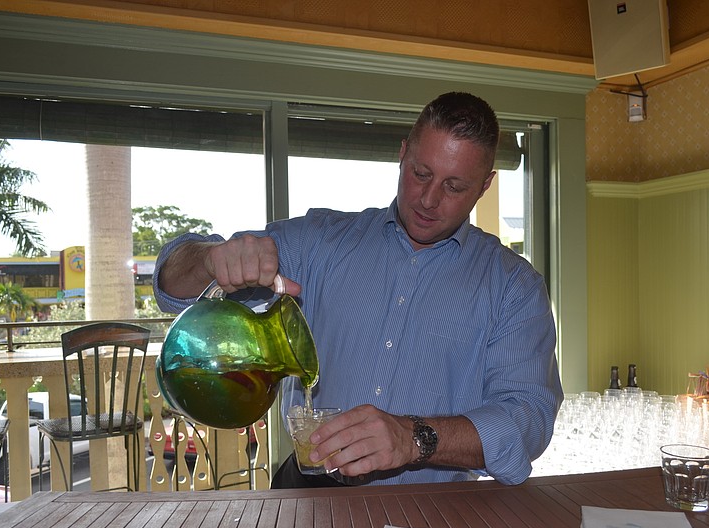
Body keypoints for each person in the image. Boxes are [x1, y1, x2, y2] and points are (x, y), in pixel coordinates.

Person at [153, 91, 563, 487]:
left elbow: (529, 417)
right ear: (402, 153)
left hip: (434, 507)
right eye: (420, 174)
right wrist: (211, 259)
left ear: (485, 186)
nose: (428, 199)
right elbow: (171, 285)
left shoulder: (513, 287)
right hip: (308, 492)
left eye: (454, 187)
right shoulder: (320, 242)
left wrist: (414, 438)